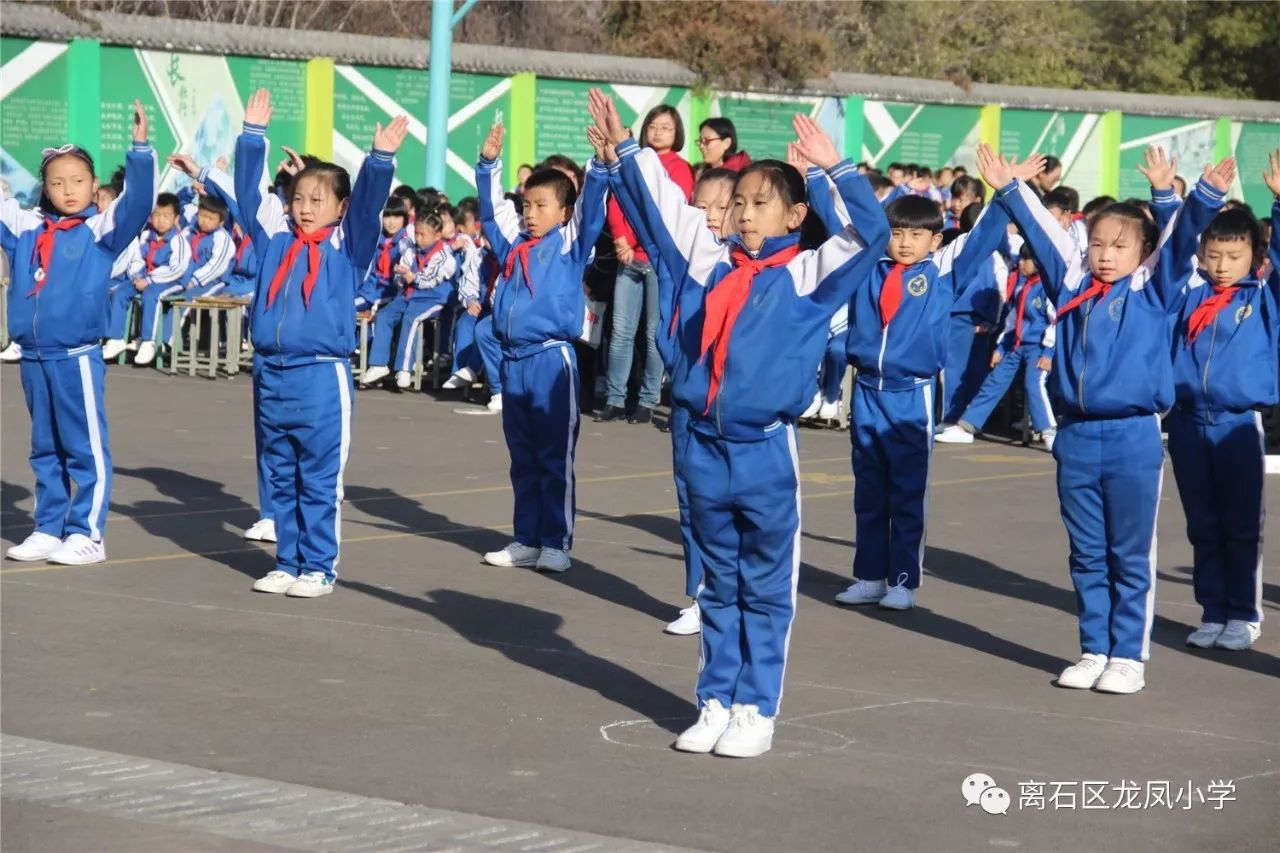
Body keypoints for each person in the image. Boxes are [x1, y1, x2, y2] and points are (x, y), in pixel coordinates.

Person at [598, 90, 887, 758]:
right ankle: (716, 699)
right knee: (716, 583)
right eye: (739, 203)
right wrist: (631, 151)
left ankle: (756, 707)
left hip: (763, 451)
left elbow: (871, 233)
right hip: (701, 442)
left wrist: (833, 168)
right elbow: (666, 208)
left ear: (794, 214)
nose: (746, 213)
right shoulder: (707, 260)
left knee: (764, 585)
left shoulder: (811, 272)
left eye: (762, 203)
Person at [992, 144, 1212, 694]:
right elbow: (1042, 236)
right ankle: (1093, 648)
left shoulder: (1154, 289)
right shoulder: (1069, 284)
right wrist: (1011, 189)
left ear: (1142, 252)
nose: (1106, 255)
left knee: (1128, 552)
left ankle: (1127, 656)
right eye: (1097, 244)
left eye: (1120, 246)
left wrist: (1172, 195)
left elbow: (1182, 241)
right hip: (1076, 436)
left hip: (1133, 436)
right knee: (1086, 551)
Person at [828, 149, 1030, 612]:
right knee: (869, 490)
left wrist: (1006, 191)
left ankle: (902, 580)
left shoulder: (942, 272)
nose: (903, 243)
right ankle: (870, 575)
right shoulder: (869, 268)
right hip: (866, 393)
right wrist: (819, 175)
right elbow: (834, 215)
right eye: (896, 233)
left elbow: (982, 239)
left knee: (906, 492)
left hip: (911, 396)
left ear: (934, 240)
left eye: (915, 235)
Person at [229, 88, 406, 597]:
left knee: (319, 477)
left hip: (320, 376)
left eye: (317, 200)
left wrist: (379, 160)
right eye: (298, 199)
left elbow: (370, 204)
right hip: (270, 373)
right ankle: (287, 560)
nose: (305, 209)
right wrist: (252, 137)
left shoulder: (348, 247)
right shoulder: (274, 240)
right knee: (279, 471)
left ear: (340, 206)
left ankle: (319, 567)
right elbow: (245, 192)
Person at [2, 101, 154, 565]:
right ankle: (49, 526)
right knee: (43, 446)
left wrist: (140, 151)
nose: (68, 190)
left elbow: (139, 202)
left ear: (93, 186)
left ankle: (87, 532)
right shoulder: (26, 226)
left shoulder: (100, 229)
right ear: (44, 188)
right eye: (57, 182)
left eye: (78, 181)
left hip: (76, 356)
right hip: (34, 357)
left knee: (83, 444)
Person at [475, 114, 608, 574]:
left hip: (552, 361)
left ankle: (556, 540)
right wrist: (488, 165)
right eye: (527, 204)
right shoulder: (514, 245)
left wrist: (600, 164)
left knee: (554, 454)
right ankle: (526, 537)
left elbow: (594, 210)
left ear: (564, 212)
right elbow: (492, 212)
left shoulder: (571, 242)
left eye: (541, 205)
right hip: (514, 363)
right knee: (522, 454)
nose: (530, 213)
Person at [1162, 149, 1278, 652]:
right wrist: (1168, 197)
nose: (1223, 265)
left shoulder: (1265, 295)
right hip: (1187, 422)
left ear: (1256, 256)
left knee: (1239, 525)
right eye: (1214, 255)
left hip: (1237, 425)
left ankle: (1244, 615)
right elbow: (1170, 249)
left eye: (1235, 257)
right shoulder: (1188, 290)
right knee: (1202, 523)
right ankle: (1212, 609)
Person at [598, 104, 695, 424]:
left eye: (666, 127)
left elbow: (667, 213)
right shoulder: (634, 160)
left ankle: (648, 399)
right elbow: (618, 199)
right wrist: (621, 239)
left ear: (677, 132)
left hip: (657, 261)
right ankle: (614, 398)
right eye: (653, 125)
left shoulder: (680, 168)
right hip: (627, 257)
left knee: (655, 334)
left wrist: (640, 243)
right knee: (621, 331)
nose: (658, 131)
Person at [936, 243, 1057, 448]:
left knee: (1033, 383)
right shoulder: (1022, 287)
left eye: (1025, 259)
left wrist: (1049, 351)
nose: (1021, 263)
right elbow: (1012, 319)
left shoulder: (1047, 289)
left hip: (1038, 346)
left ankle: (1049, 431)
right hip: (1017, 345)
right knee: (994, 382)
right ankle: (967, 426)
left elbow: (1054, 321)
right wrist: (1001, 348)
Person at [358, 206, 457, 390]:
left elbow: (432, 278)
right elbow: (401, 275)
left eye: (423, 235)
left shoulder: (444, 256)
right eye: (416, 233)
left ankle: (404, 368)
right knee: (385, 315)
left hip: (434, 299)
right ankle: (378, 364)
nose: (418, 238)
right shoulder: (411, 251)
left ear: (437, 236)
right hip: (409, 295)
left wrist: (414, 277)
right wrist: (401, 276)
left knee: (411, 318)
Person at [109, 193, 191, 366]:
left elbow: (177, 268)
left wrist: (150, 280)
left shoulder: (178, 240)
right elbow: (137, 259)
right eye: (156, 215)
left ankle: (148, 341)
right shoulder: (146, 235)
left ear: (176, 218)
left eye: (165, 216)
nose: (160, 220)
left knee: (151, 295)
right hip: (144, 279)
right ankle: (115, 338)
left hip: (171, 282)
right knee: (120, 292)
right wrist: (137, 276)